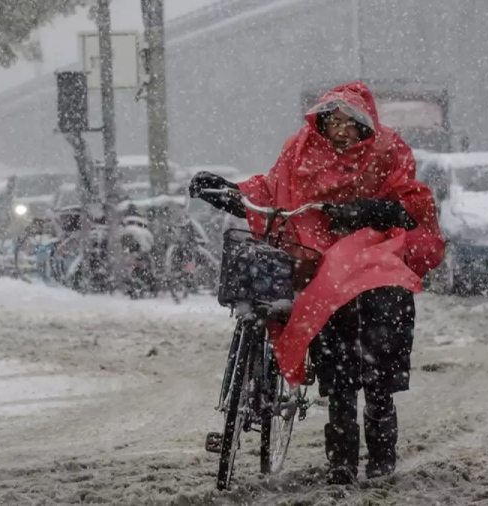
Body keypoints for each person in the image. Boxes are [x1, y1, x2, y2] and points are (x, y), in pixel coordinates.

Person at [190, 81, 445, 485]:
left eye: (350, 122)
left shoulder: (388, 151)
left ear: (366, 124)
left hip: (375, 262)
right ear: (321, 122)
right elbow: (273, 189)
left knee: (379, 364)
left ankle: (381, 450)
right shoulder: (301, 149)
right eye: (334, 121)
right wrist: (230, 192)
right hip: (316, 264)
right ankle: (341, 462)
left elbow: (412, 205)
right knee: (338, 371)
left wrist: (366, 211)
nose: (341, 130)